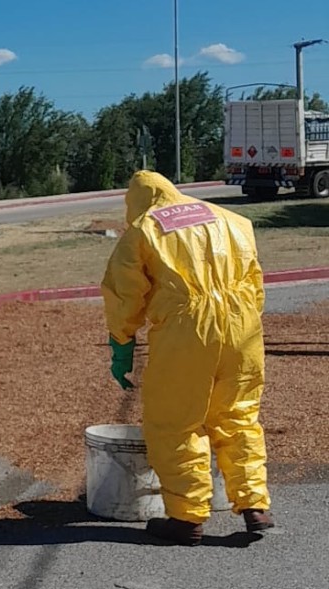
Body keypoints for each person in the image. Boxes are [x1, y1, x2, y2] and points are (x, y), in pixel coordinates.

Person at [101, 170, 273, 545]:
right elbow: (254, 279)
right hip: (243, 326)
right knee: (238, 415)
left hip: (187, 329)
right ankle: (254, 504)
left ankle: (186, 517)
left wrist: (122, 342)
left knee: (176, 422)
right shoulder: (231, 219)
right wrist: (243, 322)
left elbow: (123, 292)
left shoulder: (144, 229)